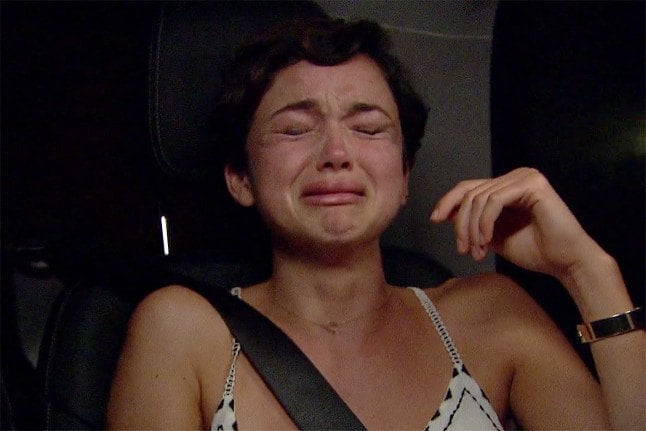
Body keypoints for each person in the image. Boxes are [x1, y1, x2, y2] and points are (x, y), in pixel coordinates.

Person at [107, 17, 644, 430]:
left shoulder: (493, 315)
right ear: (240, 178)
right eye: (294, 130)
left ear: (404, 175)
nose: (336, 153)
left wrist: (588, 272)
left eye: (368, 128)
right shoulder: (184, 329)